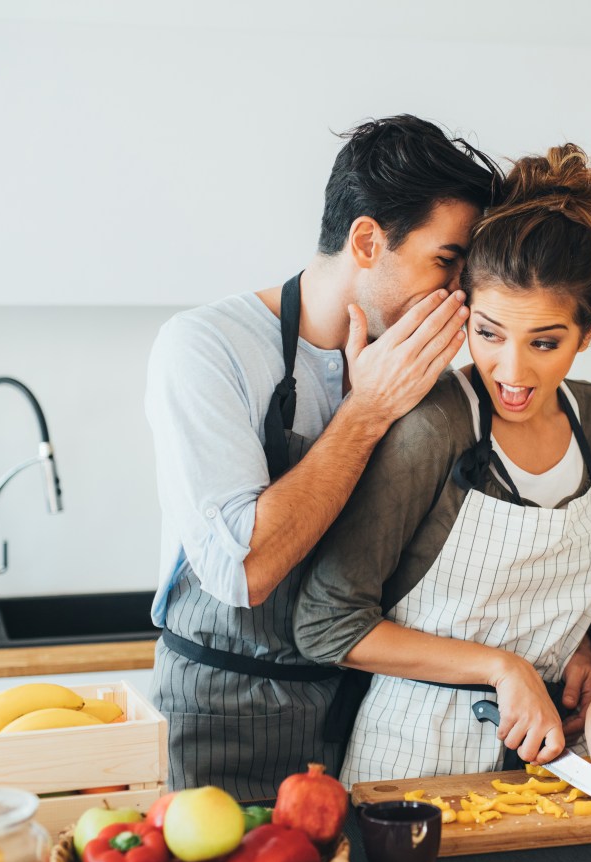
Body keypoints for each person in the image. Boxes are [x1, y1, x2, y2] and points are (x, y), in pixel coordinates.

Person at [144, 115, 521, 800]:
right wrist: (367, 412)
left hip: (360, 724)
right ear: (368, 240)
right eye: (445, 261)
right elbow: (242, 569)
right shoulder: (204, 347)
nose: (458, 297)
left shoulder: (420, 381)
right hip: (221, 724)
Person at [294, 144, 591, 789]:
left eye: (545, 342)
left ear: (589, 327)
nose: (513, 374)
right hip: (407, 773)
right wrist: (503, 667)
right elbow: (327, 623)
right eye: (488, 333)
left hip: (555, 771)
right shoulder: (432, 424)